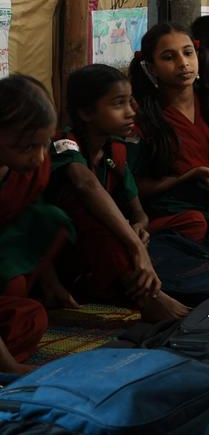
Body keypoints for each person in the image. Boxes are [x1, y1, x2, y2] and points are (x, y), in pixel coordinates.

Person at [47, 64, 188, 321]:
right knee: (90, 212)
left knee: (177, 223)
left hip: (103, 252)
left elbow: (139, 212)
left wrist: (138, 228)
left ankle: (138, 287)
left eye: (131, 101)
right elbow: (86, 186)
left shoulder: (117, 151)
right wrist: (136, 248)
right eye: (118, 104)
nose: (131, 112)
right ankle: (149, 298)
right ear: (86, 112)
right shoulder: (63, 143)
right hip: (60, 255)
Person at [129, 23, 209, 250]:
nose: (183, 63)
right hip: (176, 212)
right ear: (151, 68)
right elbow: (135, 185)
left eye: (188, 53)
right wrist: (188, 176)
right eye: (168, 57)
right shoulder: (142, 119)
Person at [0, 76, 77, 372]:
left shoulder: (30, 167)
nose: (38, 157)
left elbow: (31, 212)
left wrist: (51, 280)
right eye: (26, 146)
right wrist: (10, 367)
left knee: (30, 317)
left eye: (44, 144)